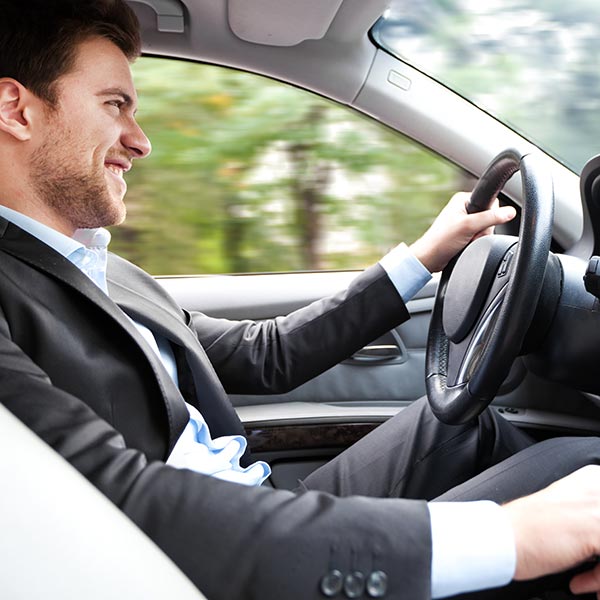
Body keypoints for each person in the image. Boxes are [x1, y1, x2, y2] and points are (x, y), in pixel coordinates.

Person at [1, 1, 600, 599]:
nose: (140, 142)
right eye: (115, 105)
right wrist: (512, 536)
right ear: (16, 109)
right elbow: (116, 502)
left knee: (470, 426)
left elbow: (266, 355)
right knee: (579, 477)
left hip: (254, 506)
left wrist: (425, 255)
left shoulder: (106, 270)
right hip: (210, 564)